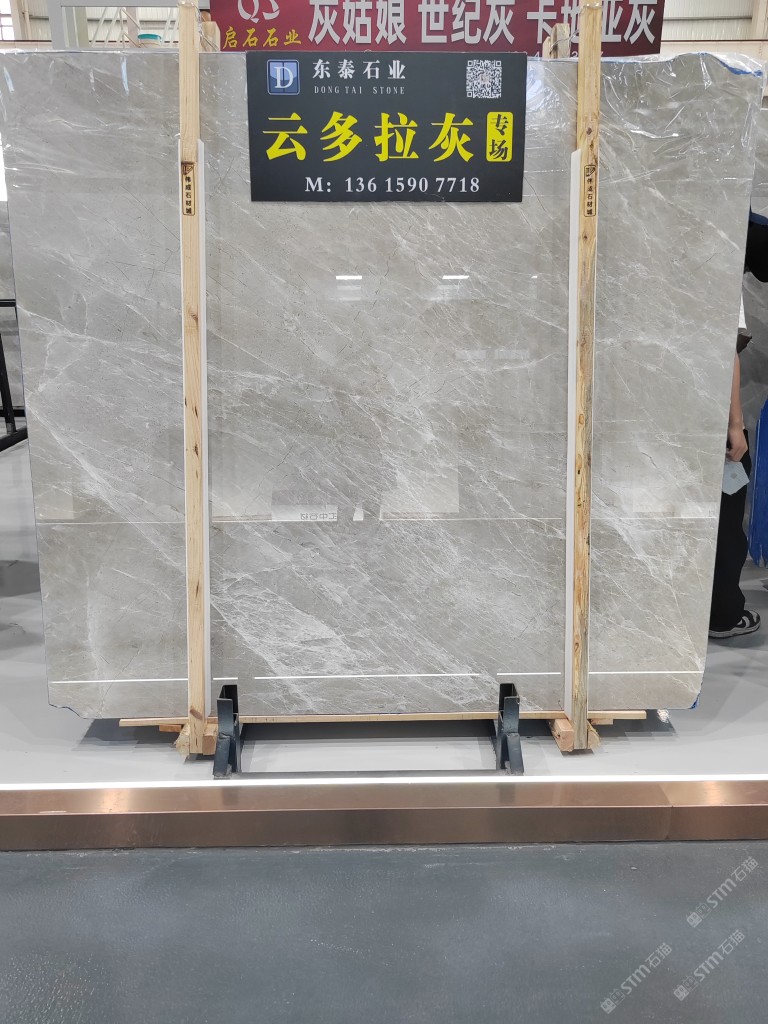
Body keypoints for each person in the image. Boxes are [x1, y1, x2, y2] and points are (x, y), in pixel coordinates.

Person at [708, 211, 767, 639]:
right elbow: (726, 345)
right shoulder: (721, 254)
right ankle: (723, 613)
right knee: (727, 513)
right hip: (713, 415)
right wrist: (735, 423)